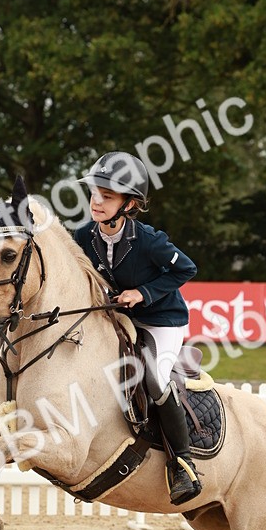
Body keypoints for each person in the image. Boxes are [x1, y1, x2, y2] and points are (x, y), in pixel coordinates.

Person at [73, 151, 201, 506]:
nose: (96, 201)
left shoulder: (149, 240)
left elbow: (186, 269)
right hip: (118, 318)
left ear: (129, 204)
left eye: (107, 196)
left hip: (162, 321)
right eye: (95, 193)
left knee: (156, 379)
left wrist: (142, 293)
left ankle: (182, 464)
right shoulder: (84, 236)